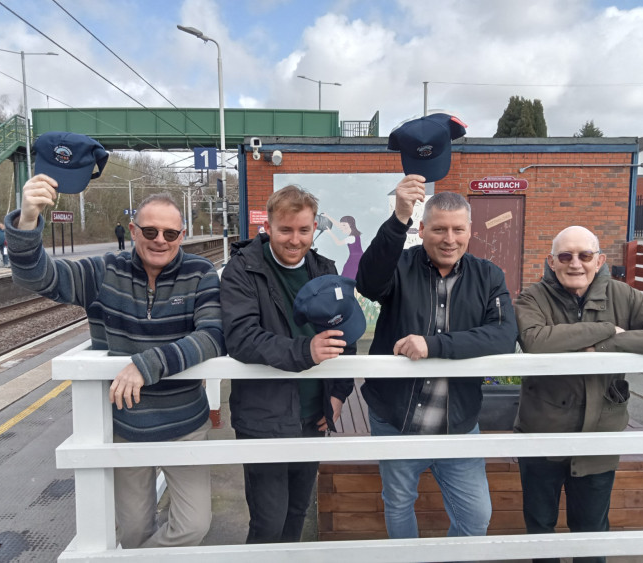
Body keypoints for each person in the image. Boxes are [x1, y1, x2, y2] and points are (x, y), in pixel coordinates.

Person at [5, 174, 225, 549]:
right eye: (151, 231)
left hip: (186, 422)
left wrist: (146, 364)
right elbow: (38, 278)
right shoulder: (104, 271)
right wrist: (27, 221)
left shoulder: (200, 273)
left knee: (193, 525)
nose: (160, 240)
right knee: (134, 530)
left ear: (182, 235)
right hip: (127, 422)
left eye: (170, 234)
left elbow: (212, 336)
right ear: (134, 230)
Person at [513, 225, 643, 563]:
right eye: (565, 256)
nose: (575, 264)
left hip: (599, 436)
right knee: (540, 530)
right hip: (542, 434)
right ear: (552, 262)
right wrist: (604, 328)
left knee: (592, 533)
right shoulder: (532, 297)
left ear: (599, 261)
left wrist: (608, 344)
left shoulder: (623, 295)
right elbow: (536, 341)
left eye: (584, 256)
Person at [356, 180, 518, 539]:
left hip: (457, 421)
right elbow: (368, 283)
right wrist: (398, 218)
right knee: (399, 503)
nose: (449, 239)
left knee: (476, 517)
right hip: (395, 416)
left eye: (458, 229)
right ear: (422, 229)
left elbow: (505, 335)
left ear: (470, 231)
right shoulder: (401, 266)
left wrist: (435, 345)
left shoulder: (487, 275)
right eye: (440, 229)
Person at [220, 184, 355, 544]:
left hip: (314, 415)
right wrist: (305, 351)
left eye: (304, 230)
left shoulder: (325, 268)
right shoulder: (242, 270)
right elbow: (242, 338)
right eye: (286, 230)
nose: (295, 240)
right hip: (264, 417)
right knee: (268, 521)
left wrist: (338, 394)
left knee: (297, 513)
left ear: (314, 229)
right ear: (268, 227)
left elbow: (347, 339)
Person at [323, 213, 363, 280]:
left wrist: (330, 232)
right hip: (359, 257)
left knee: (348, 274)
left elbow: (338, 243)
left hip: (355, 258)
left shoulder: (351, 237)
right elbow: (339, 225)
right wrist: (327, 216)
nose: (342, 228)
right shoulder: (356, 235)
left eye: (344, 225)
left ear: (350, 225)